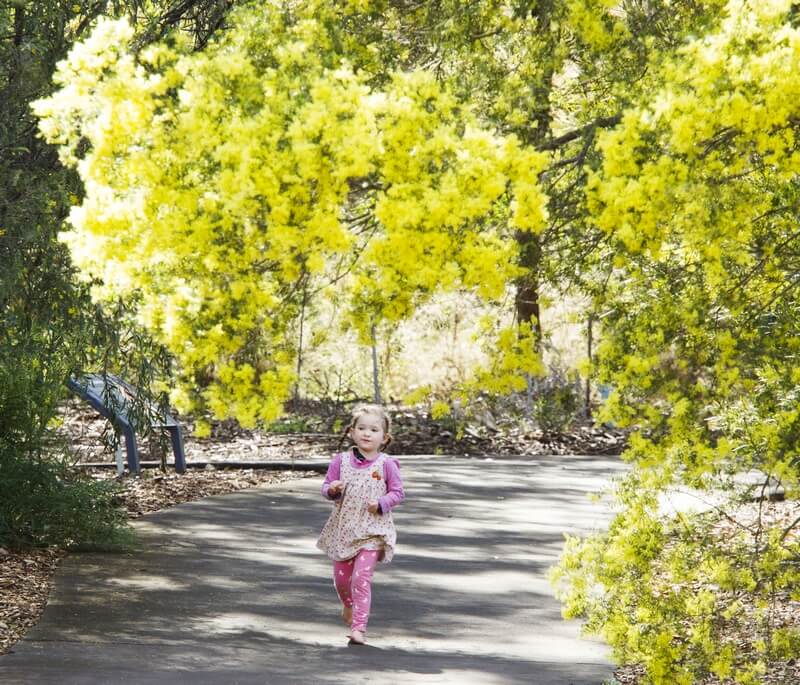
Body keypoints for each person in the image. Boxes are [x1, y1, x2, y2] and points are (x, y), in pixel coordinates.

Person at [316, 404, 405, 645]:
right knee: (342, 581)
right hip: (344, 529)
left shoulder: (386, 464)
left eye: (374, 429)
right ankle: (348, 605)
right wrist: (332, 490)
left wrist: (382, 503)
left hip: (373, 532)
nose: (367, 433)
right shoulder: (341, 461)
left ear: (384, 438)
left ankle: (359, 628)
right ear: (352, 432)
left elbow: (398, 493)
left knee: (360, 579)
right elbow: (326, 487)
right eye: (362, 428)